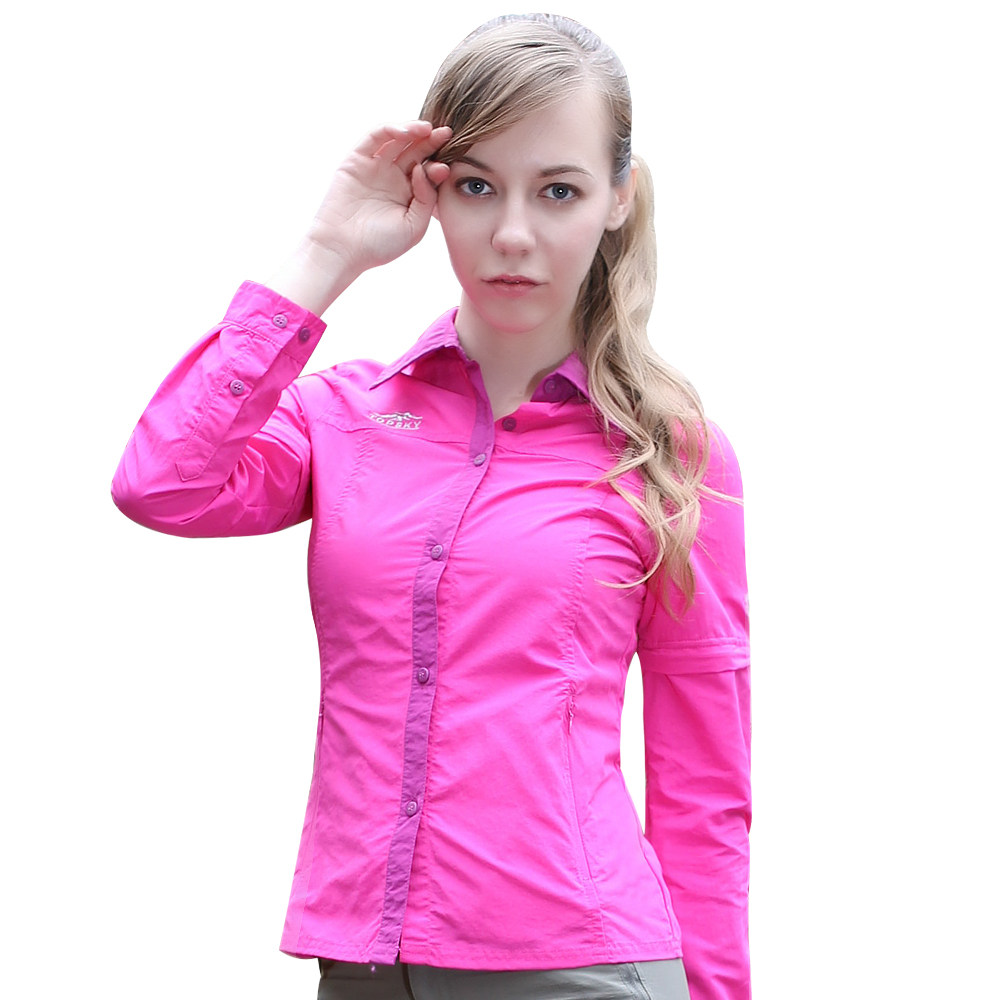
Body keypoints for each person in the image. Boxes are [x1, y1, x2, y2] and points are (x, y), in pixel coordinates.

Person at [112, 13, 750, 1000]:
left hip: (579, 965)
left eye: (559, 190)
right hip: (363, 965)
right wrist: (326, 250)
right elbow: (162, 483)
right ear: (431, 192)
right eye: (477, 185)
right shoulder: (342, 415)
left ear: (618, 198)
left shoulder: (667, 453)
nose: (512, 234)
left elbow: (703, 776)